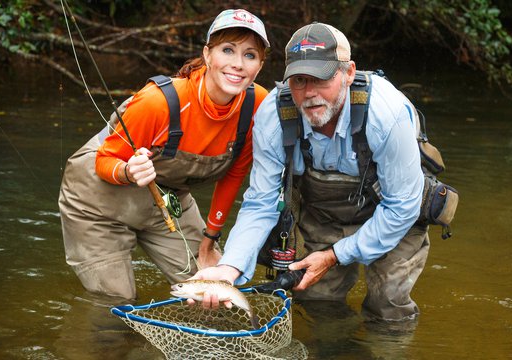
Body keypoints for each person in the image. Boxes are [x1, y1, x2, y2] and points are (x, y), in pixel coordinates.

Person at [193, 22, 430, 321]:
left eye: (322, 79)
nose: (310, 93)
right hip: (324, 214)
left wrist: (335, 256)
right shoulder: (273, 115)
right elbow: (260, 203)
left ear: (349, 73)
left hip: (393, 213)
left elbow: (402, 207)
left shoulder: (387, 114)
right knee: (317, 301)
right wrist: (230, 269)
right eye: (300, 81)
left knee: (388, 304)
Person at [58, 9, 270, 301]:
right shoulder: (157, 102)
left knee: (214, 292)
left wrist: (210, 239)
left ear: (260, 65)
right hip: (97, 203)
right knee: (115, 304)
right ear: (208, 55)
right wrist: (128, 171)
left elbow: (234, 174)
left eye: (250, 55)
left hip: (166, 204)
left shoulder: (258, 105)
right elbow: (104, 161)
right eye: (228, 50)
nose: (237, 64)